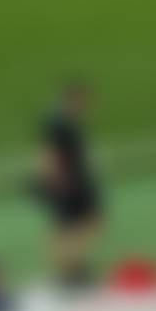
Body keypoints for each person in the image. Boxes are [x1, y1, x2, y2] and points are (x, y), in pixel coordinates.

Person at [34, 83, 100, 288]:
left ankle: (71, 269)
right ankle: (66, 273)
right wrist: (57, 184)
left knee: (83, 224)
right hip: (67, 185)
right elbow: (49, 155)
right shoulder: (59, 124)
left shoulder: (67, 122)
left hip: (75, 183)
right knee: (68, 227)